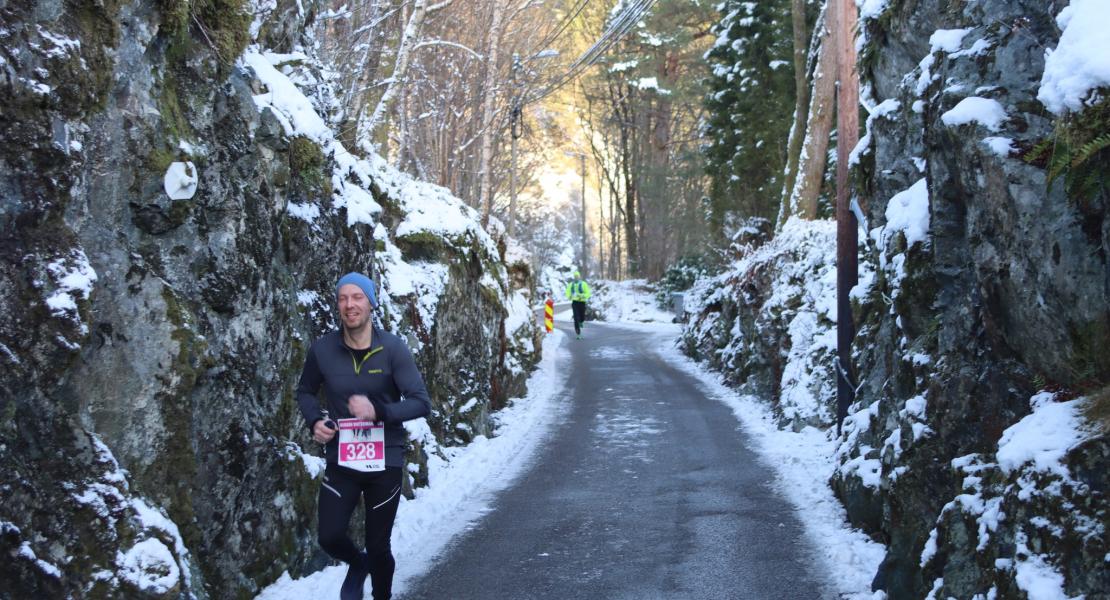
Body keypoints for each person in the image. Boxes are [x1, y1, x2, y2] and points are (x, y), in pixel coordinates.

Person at [296, 272, 431, 600]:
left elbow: (420, 402)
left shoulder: (392, 349)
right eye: (343, 298)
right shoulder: (323, 350)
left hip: (385, 458)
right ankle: (358, 564)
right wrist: (315, 420)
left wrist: (379, 411)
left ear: (371, 303)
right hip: (342, 457)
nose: (349, 304)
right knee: (329, 537)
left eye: (357, 297)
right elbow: (305, 391)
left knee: (378, 545)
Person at [564, 270, 592, 339]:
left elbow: (588, 293)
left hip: (582, 302)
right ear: (574, 277)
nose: (576, 278)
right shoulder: (571, 284)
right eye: (575, 277)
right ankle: (578, 332)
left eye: (577, 276)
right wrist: (569, 296)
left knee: (582, 317)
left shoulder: (583, 284)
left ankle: (581, 322)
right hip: (575, 303)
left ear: (579, 277)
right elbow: (567, 292)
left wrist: (581, 295)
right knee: (576, 317)